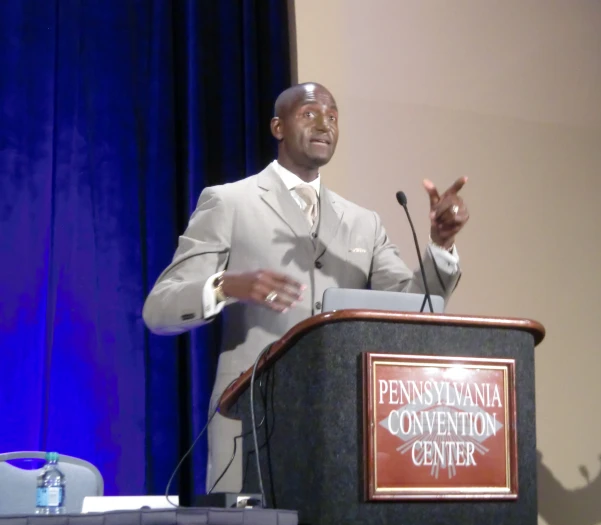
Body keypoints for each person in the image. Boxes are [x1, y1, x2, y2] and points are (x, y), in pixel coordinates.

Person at [143, 82, 470, 492]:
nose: (324, 125)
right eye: (310, 114)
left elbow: (415, 309)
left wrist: (441, 244)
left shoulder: (362, 222)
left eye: (332, 117)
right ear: (277, 127)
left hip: (342, 428)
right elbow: (159, 309)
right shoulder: (230, 202)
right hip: (251, 420)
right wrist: (227, 285)